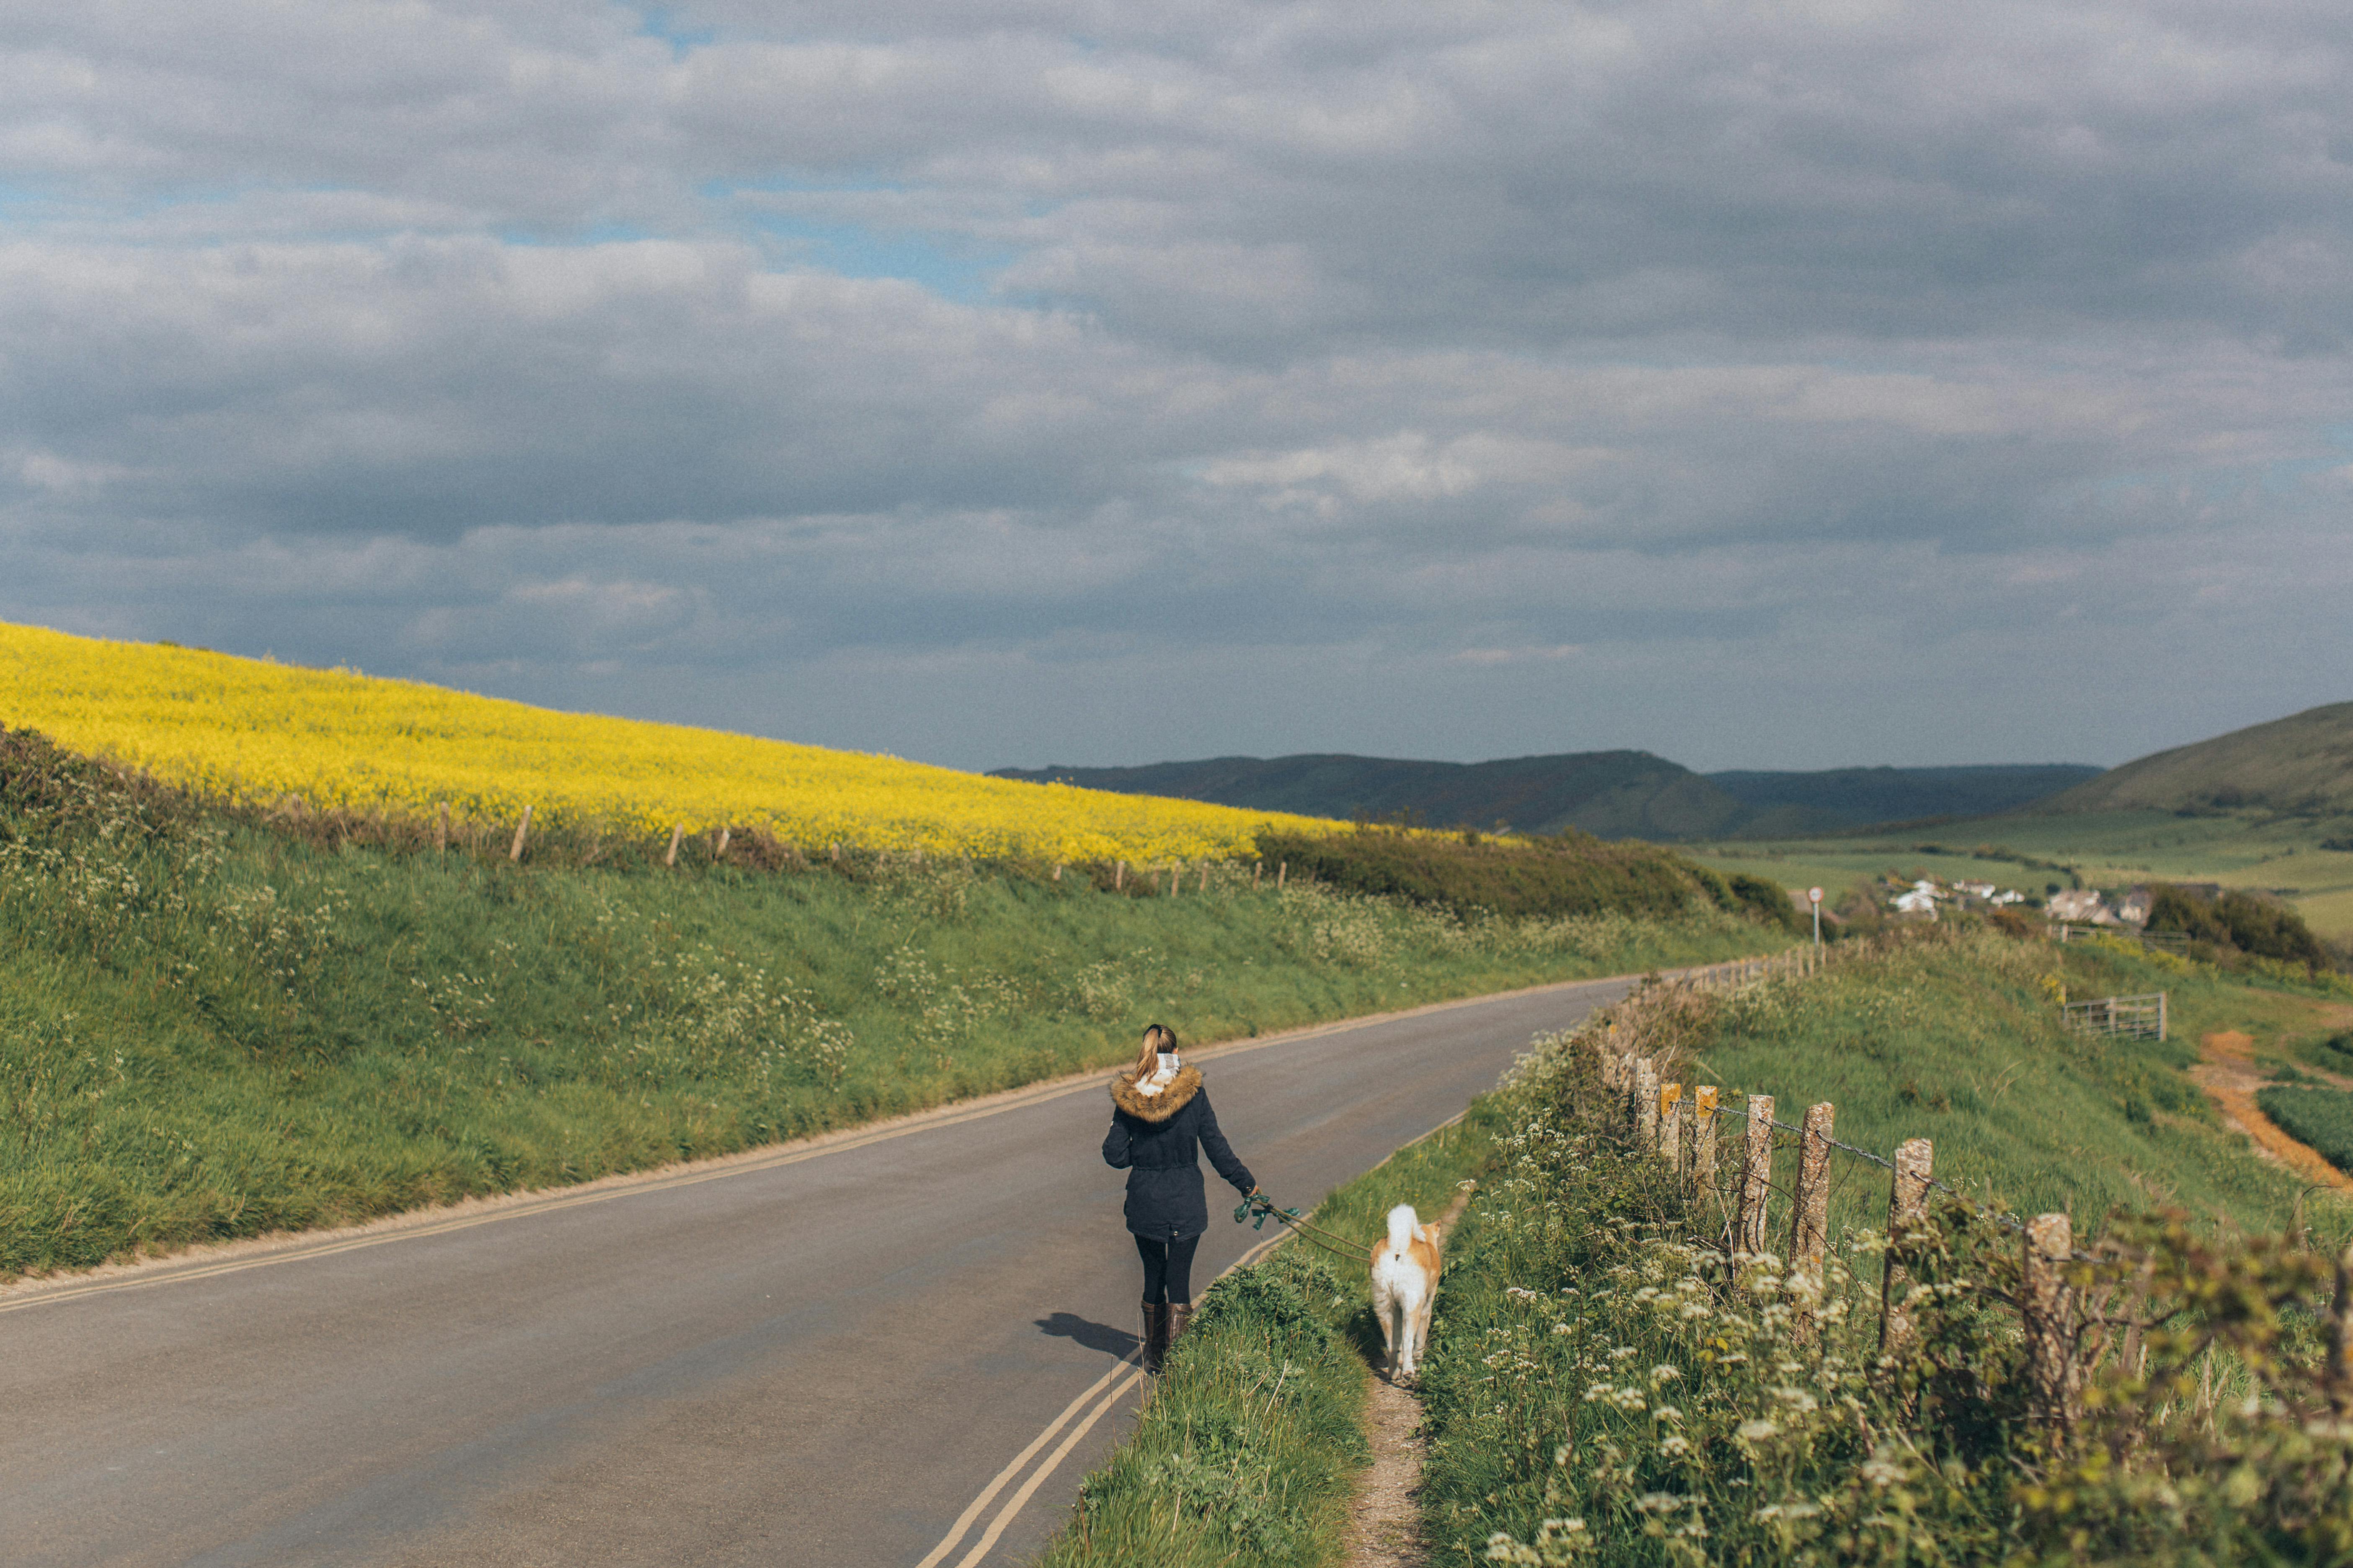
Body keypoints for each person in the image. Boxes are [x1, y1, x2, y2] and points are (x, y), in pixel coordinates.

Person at [1101, 1023, 1257, 1373]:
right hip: (1186, 1200)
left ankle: (1155, 1358)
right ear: (1175, 1053)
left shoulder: (1129, 1098)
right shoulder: (1194, 1094)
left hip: (1145, 1202)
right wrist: (1247, 1186)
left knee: (1153, 1277)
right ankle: (1178, 1364)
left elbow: (1113, 1155)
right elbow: (1217, 1148)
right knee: (1180, 1281)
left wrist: (1139, 1157)